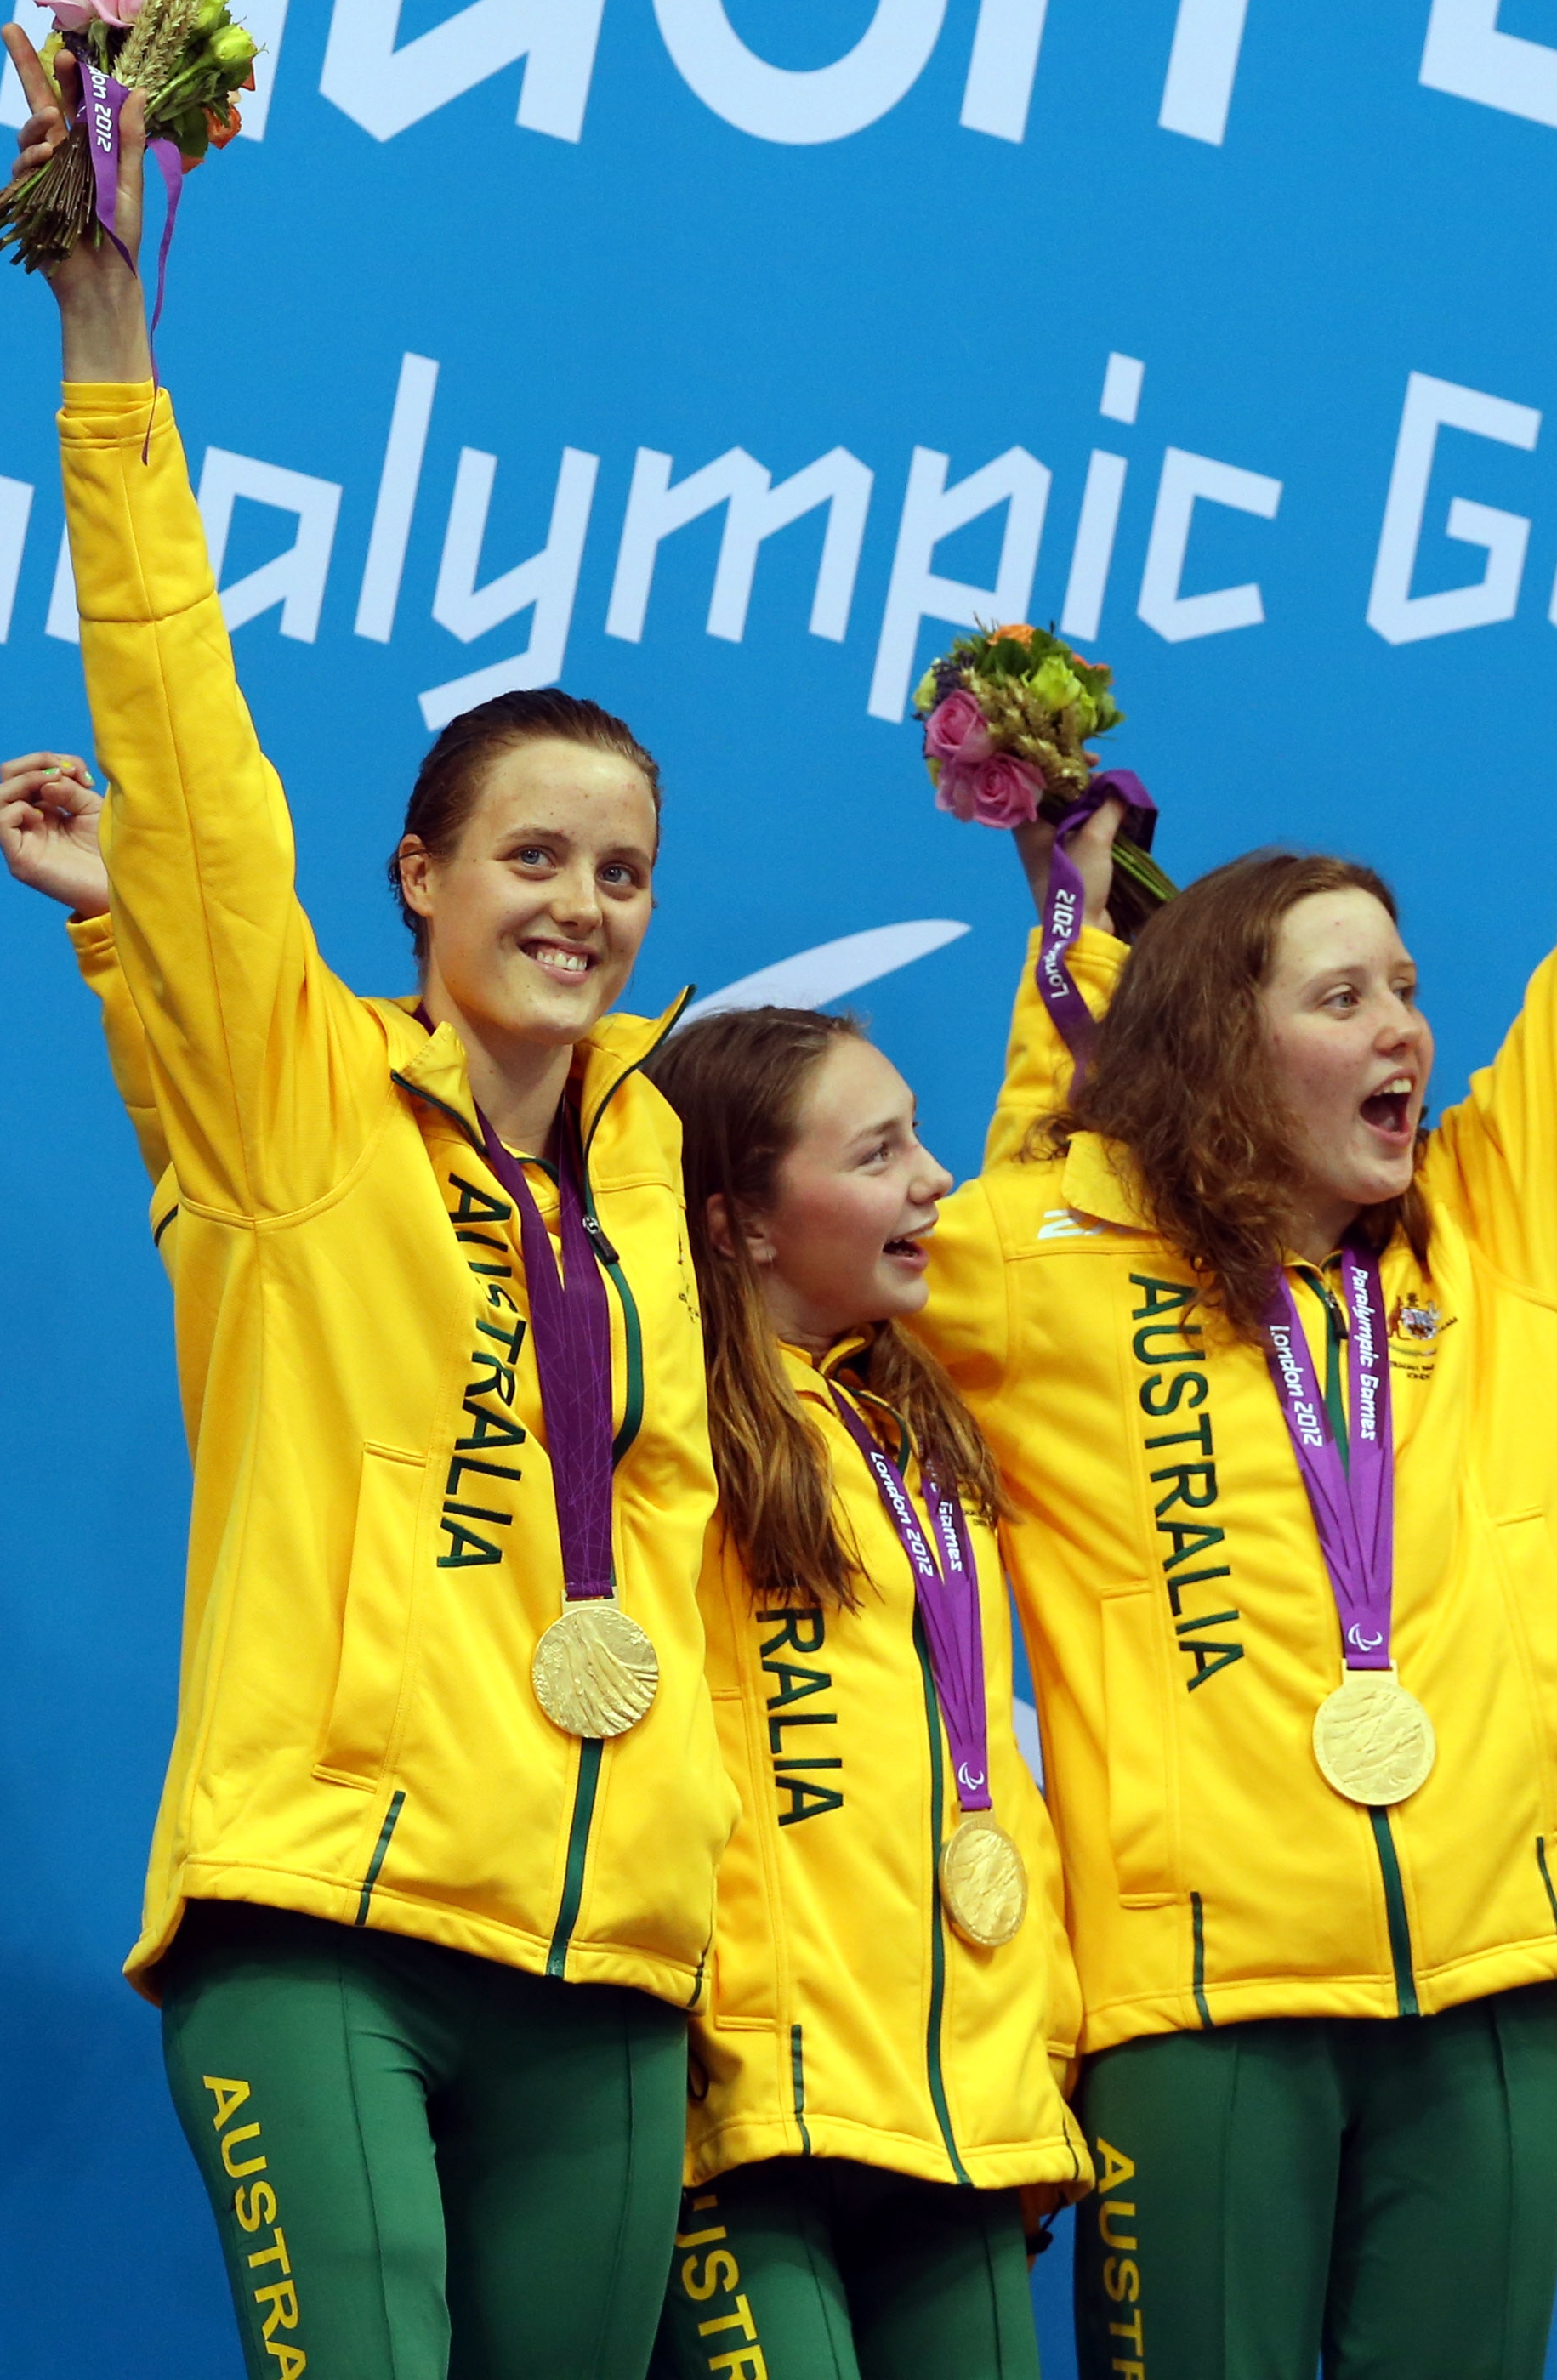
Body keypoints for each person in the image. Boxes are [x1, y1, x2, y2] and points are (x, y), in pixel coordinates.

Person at [908, 389, 1557, 2379]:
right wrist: (1062, 935)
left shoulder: (1498, 1226)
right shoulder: (1038, 1267)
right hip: (1205, 2003)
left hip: (1494, 1974)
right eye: (1342, 997)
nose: (1407, 1026)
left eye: (1408, 988)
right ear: (1220, 1049)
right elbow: (882, 1210)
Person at [0, 33, 736, 2380]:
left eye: (618, 871)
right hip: (322, 1909)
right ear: (413, 880)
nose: (581, 907)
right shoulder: (302, 1105)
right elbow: (194, 761)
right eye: (529, 857)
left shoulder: (657, 1163)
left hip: (609, 1950)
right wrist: (109, 339)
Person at [647, 1004, 1090, 2380]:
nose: (932, 1178)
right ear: (739, 1225)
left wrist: (1069, 928)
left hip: (958, 2105)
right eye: (878, 1151)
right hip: (742, 2118)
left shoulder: (917, 1420)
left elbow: (1042, 1172)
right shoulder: (647, 1427)